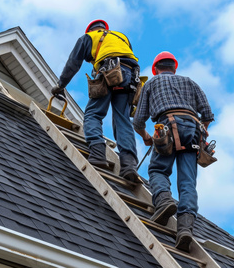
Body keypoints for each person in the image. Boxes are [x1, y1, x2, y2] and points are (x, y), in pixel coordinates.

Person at [133, 51, 214, 252]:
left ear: (156, 69)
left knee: (158, 170)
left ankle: (163, 200)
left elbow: (138, 120)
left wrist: (146, 137)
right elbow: (207, 114)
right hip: (193, 129)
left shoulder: (151, 84)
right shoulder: (190, 82)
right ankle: (185, 228)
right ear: (174, 67)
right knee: (187, 182)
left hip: (167, 125)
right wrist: (201, 134)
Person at [52, 19, 140, 182]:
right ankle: (129, 166)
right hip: (130, 77)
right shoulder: (121, 37)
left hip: (109, 70)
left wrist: (60, 85)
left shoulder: (88, 37)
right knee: (123, 120)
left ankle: (98, 153)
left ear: (90, 30)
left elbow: (73, 63)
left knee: (93, 114)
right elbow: (129, 60)